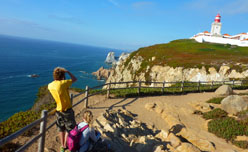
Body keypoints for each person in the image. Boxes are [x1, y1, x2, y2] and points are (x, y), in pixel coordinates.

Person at [48, 67, 77, 152]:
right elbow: (74, 79)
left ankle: (62, 145)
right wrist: (68, 72)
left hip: (58, 110)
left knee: (61, 128)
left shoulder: (50, 85)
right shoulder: (63, 83)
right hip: (67, 110)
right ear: (63, 76)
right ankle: (66, 145)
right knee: (69, 127)